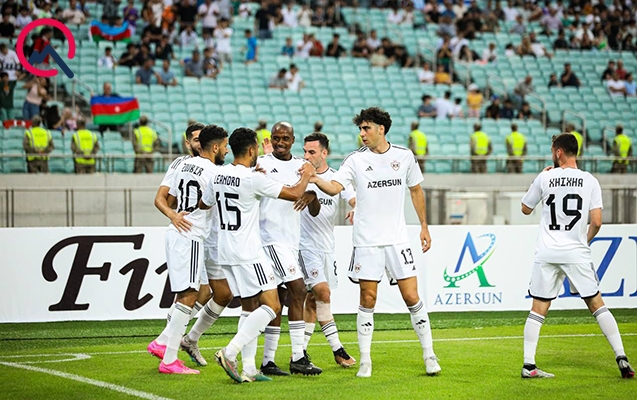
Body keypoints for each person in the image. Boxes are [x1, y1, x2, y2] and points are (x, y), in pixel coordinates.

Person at [309, 107, 440, 378]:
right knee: (368, 299)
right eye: (360, 128)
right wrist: (315, 179)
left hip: (397, 240)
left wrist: (424, 226)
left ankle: (429, 355)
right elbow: (335, 187)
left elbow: (416, 190)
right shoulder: (355, 160)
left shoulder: (404, 156)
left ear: (381, 129)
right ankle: (366, 361)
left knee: (412, 297)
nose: (362, 133)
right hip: (367, 242)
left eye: (366, 128)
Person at [520, 133, 634, 379]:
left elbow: (525, 208)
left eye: (553, 150)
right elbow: (597, 221)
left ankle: (528, 365)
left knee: (538, 308)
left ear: (559, 152)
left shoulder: (545, 176)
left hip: (548, 251)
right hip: (576, 252)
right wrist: (584, 240)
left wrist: (541, 177)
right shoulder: (589, 180)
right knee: (596, 304)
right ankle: (621, 356)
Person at [209, 127, 314, 383]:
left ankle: (249, 369)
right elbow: (294, 194)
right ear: (252, 149)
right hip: (248, 251)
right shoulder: (253, 179)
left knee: (250, 307)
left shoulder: (219, 175)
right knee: (272, 305)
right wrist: (307, 174)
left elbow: (205, 203)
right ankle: (230, 352)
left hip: (225, 250)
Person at [153, 125, 227, 375]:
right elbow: (208, 202)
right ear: (215, 147)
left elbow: (172, 197)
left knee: (194, 293)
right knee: (189, 295)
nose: (226, 150)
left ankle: (165, 344)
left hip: (180, 232)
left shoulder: (184, 165)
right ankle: (169, 358)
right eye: (224, 146)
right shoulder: (215, 172)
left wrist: (176, 213)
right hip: (192, 234)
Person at [257, 122, 323, 376]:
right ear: (271, 139)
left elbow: (314, 210)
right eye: (276, 138)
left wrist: (312, 197)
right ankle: (298, 356)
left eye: (285, 138)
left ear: (293, 140)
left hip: (291, 241)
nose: (280, 142)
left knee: (280, 298)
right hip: (270, 239)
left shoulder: (302, 166)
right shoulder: (261, 163)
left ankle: (268, 361)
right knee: (299, 289)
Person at [296, 132, 357, 368]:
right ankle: (338, 349)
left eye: (312, 152)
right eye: (305, 151)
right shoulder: (299, 175)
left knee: (314, 301)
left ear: (324, 153)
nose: (307, 156)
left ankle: (299, 352)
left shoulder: (336, 179)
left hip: (327, 248)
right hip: (304, 247)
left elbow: (355, 199)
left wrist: (356, 209)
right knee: (323, 293)